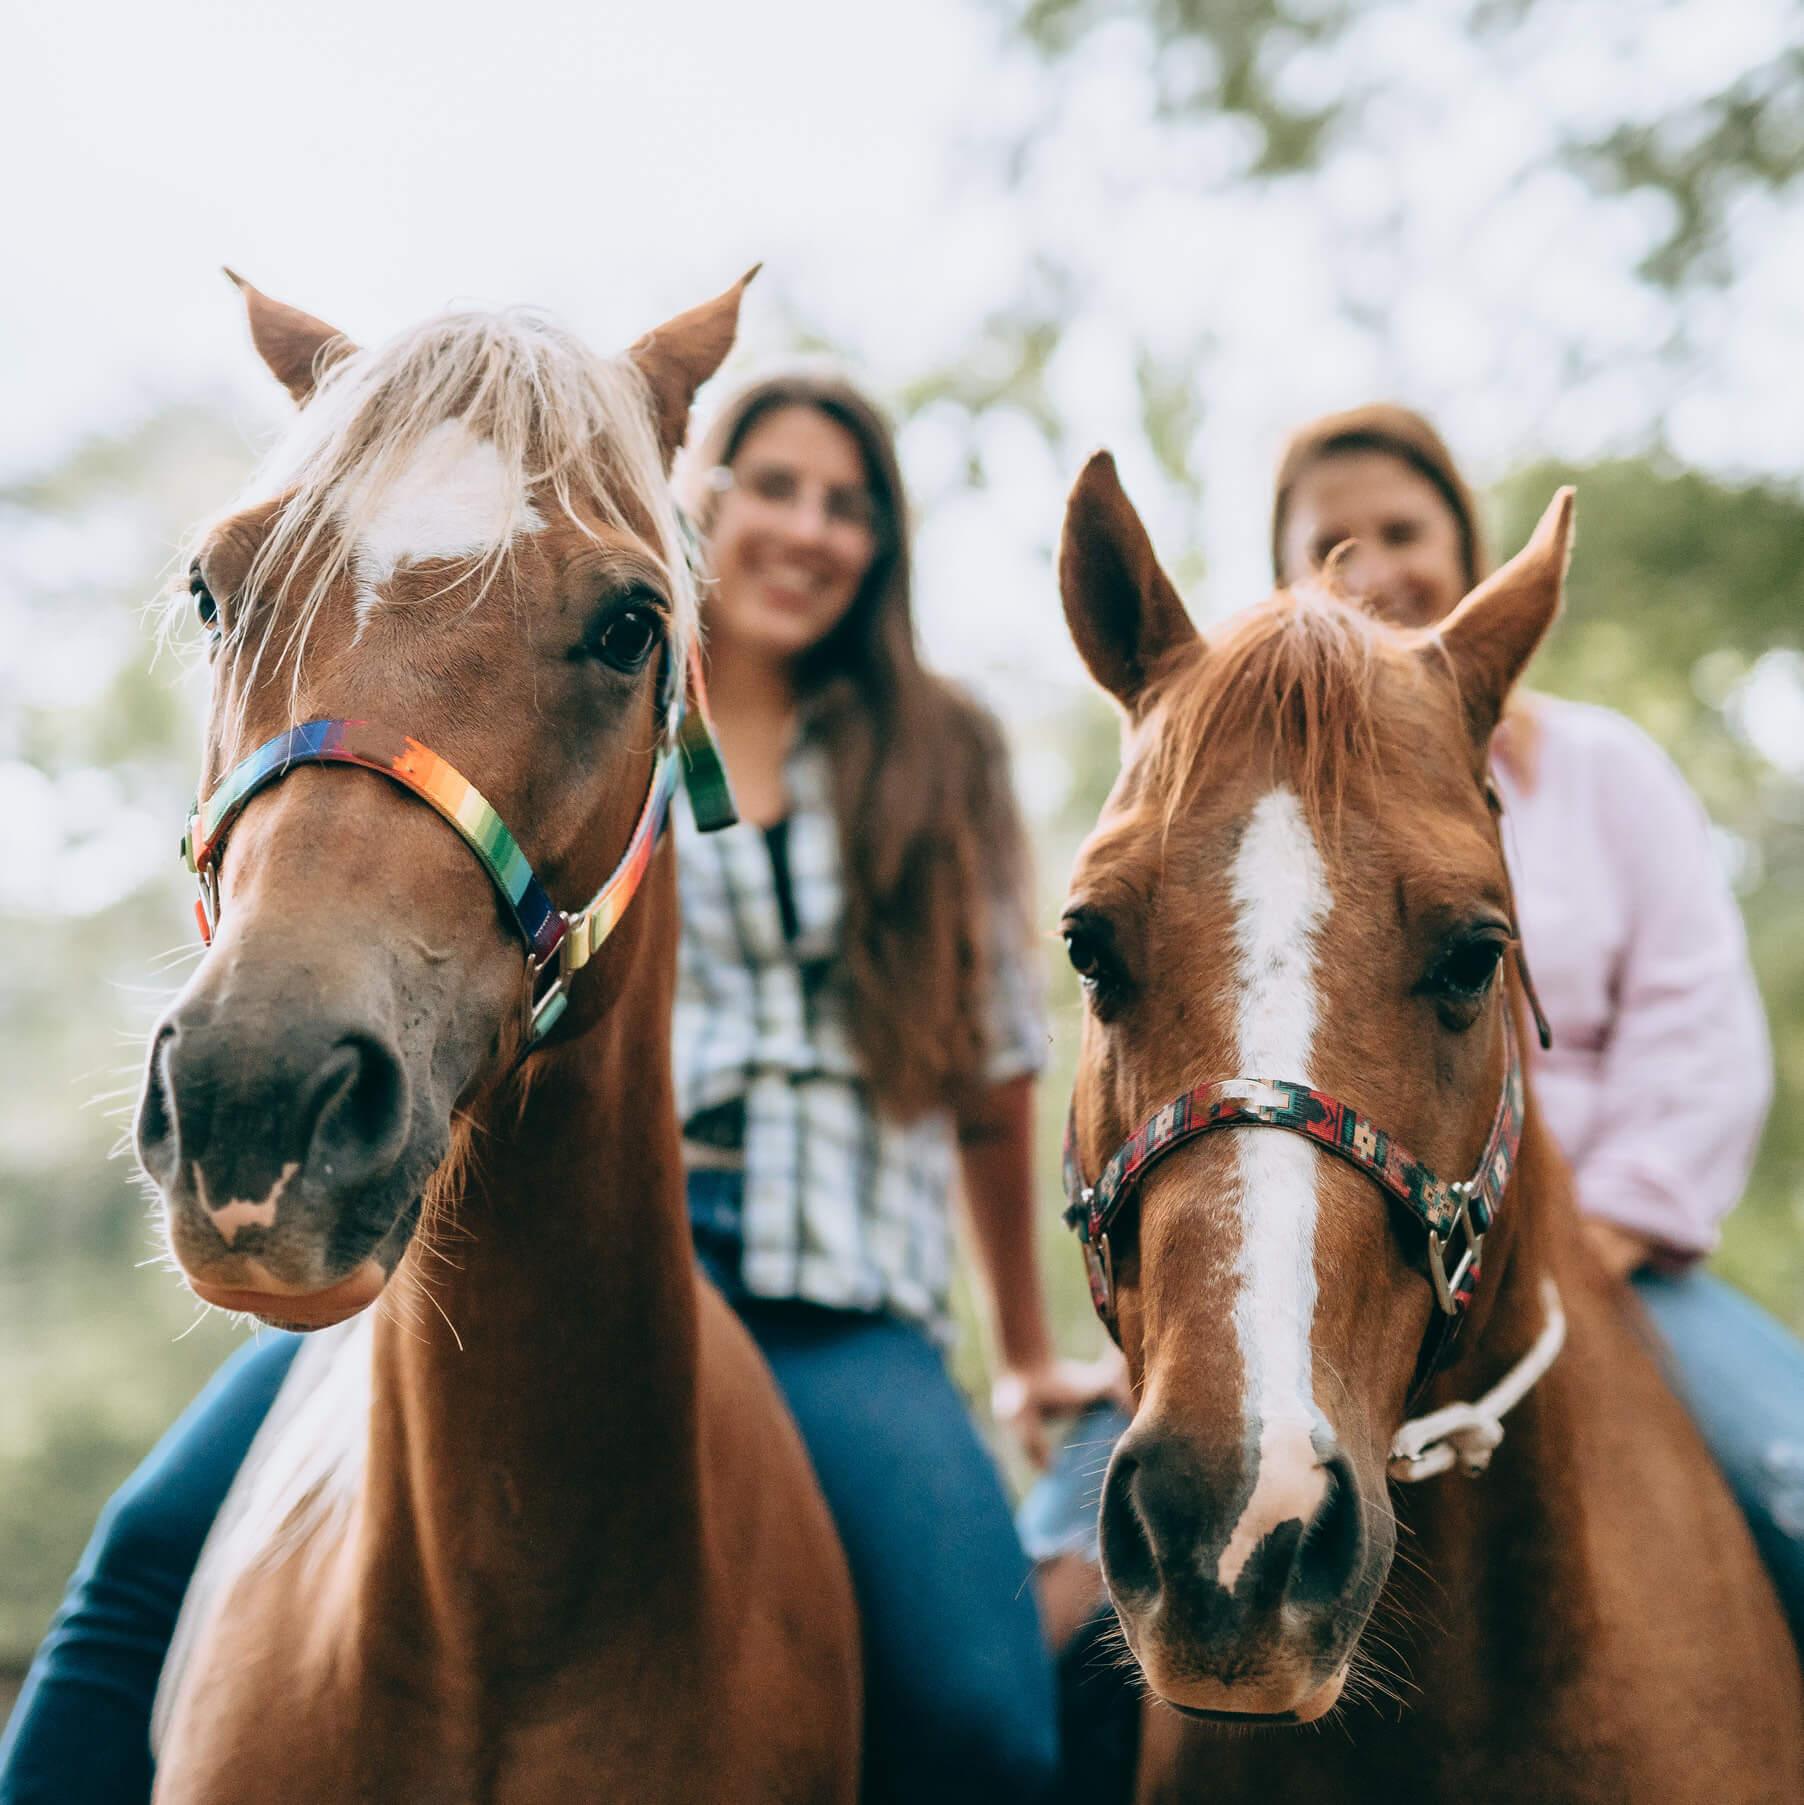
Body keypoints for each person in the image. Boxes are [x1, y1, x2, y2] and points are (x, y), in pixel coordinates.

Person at [0, 368, 1113, 1805]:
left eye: (847, 505)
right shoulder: (567, 672)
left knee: (981, 1719)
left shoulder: (930, 749)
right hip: (524, 1250)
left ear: (882, 547)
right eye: (772, 484)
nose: (805, 528)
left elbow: (987, 1064)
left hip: (823, 1289)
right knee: (136, 1573)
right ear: (696, 500)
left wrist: (1023, 1350)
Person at [1021, 401, 1804, 1660]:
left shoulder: (1609, 773)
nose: (1371, 564)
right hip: (1323, 1257)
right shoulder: (1250, 810)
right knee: (1031, 1630)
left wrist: (1603, 1235)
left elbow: (1701, 1041)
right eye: (1332, 540)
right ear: (1282, 571)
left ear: (1466, 547)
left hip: (1617, 1262)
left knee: (1795, 1479)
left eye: (1402, 528)